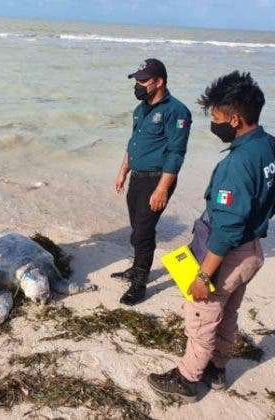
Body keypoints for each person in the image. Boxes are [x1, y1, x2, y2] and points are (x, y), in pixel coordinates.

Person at [147, 71, 275, 402]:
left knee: (203, 314)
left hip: (226, 254)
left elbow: (226, 230)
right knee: (228, 315)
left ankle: (187, 380)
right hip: (253, 249)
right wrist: (255, 215)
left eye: (215, 116)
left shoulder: (237, 164)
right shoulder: (274, 147)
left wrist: (203, 275)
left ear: (235, 119)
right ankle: (217, 370)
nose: (213, 123)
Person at [112, 58, 192, 305]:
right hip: (137, 178)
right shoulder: (141, 109)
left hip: (157, 180)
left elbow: (176, 153)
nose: (138, 84)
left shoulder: (176, 111)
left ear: (159, 82)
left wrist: (162, 189)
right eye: (136, 79)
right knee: (137, 229)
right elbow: (133, 142)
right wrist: (122, 170)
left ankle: (140, 284)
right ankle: (136, 268)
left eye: (143, 80)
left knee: (143, 233)